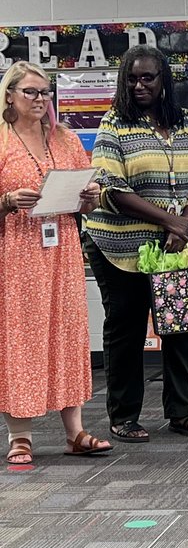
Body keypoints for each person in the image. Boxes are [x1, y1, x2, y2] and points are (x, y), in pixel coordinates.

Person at [85, 45, 188, 443]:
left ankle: (181, 412)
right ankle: (123, 416)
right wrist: (170, 220)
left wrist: (183, 226)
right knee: (125, 330)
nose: (139, 85)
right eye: (132, 78)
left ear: (164, 81)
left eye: (148, 78)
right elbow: (112, 189)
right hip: (119, 247)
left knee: (180, 329)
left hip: (176, 249)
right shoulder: (114, 126)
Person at [0, 61, 112, 464]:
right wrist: (8, 201)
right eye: (31, 92)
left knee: (66, 332)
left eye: (45, 92)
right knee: (22, 337)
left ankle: (75, 432)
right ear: (9, 94)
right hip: (16, 251)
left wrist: (90, 196)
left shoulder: (64, 138)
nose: (40, 99)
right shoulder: (1, 141)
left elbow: (82, 192)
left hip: (61, 247)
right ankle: (21, 436)